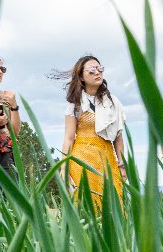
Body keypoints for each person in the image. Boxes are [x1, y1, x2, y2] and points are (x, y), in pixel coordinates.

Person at [58, 55, 126, 210]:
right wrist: (64, 167)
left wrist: (122, 165)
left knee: (114, 207)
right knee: (86, 208)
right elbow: (69, 138)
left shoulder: (113, 102)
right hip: (81, 160)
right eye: (92, 70)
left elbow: (118, 138)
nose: (98, 73)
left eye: (100, 69)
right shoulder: (74, 104)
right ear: (81, 77)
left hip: (107, 159)